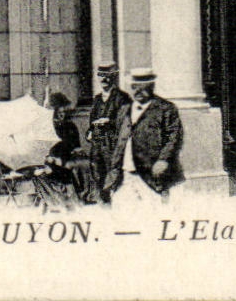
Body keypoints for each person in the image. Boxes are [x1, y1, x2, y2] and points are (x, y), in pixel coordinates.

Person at [107, 67, 183, 214]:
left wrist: (163, 159)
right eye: (134, 87)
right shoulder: (124, 109)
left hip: (151, 175)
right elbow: (117, 138)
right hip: (125, 174)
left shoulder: (165, 109)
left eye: (143, 87)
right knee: (123, 215)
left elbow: (173, 137)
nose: (138, 91)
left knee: (153, 214)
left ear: (152, 86)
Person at [36, 92, 96, 209]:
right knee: (59, 171)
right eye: (58, 113)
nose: (61, 116)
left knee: (85, 166)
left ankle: (83, 195)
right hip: (52, 162)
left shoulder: (70, 127)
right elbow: (43, 151)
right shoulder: (47, 129)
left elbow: (76, 147)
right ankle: (68, 199)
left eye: (63, 113)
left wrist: (79, 151)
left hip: (68, 160)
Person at [86, 63, 130, 202]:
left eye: (107, 76)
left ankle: (115, 204)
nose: (104, 79)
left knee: (114, 175)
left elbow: (126, 122)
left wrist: (109, 121)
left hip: (113, 144)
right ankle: (104, 204)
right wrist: (90, 131)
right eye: (101, 76)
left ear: (114, 77)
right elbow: (92, 120)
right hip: (97, 143)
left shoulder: (122, 98)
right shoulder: (97, 99)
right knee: (97, 174)